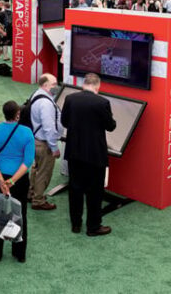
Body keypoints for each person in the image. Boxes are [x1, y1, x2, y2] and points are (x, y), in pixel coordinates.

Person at [61, 73, 116, 237]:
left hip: (74, 151)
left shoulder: (70, 99)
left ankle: (76, 224)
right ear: (98, 86)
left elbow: (64, 122)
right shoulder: (102, 102)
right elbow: (110, 126)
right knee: (95, 191)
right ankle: (93, 226)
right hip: (95, 154)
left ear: (84, 84)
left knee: (75, 188)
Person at [0, 101, 35, 262]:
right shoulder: (27, 132)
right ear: (17, 115)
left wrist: (2, 181)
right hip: (20, 180)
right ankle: (19, 252)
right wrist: (12, 181)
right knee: (20, 213)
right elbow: (28, 161)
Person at [24, 73, 62, 211]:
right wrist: (54, 147)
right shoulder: (46, 103)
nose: (56, 87)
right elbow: (48, 127)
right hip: (44, 143)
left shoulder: (37, 94)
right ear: (45, 85)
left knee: (36, 169)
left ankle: (31, 193)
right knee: (44, 172)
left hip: (35, 140)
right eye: (53, 84)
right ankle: (38, 200)